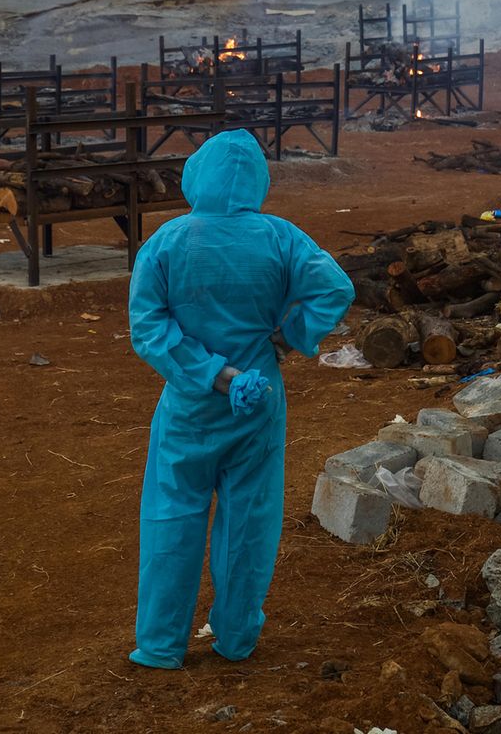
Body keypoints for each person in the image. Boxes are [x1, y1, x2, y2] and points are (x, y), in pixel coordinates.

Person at [127, 129, 354, 670]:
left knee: (171, 515)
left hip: (189, 404)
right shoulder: (280, 237)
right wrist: (287, 336)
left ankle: (160, 645)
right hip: (258, 400)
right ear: (257, 177)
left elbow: (148, 327)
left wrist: (209, 372)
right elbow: (336, 288)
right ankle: (236, 638)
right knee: (249, 520)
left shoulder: (166, 240)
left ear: (197, 174)